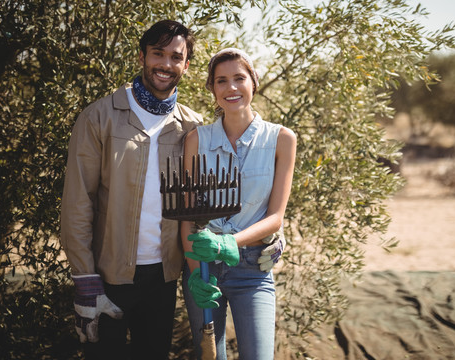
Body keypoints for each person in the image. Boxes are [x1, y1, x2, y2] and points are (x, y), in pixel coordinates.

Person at [60, 20, 202, 360]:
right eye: (158, 54)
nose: (166, 65)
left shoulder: (193, 128)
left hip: (164, 278)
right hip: (106, 276)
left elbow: (205, 201)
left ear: (186, 65)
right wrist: (86, 281)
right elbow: (78, 204)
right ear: (142, 57)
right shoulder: (100, 117)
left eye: (175, 57)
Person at [181, 48, 297, 360]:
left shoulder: (282, 139)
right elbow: (187, 218)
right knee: (209, 357)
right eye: (221, 81)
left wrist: (229, 242)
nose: (231, 88)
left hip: (253, 270)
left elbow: (275, 217)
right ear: (212, 89)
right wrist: (194, 274)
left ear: (253, 83)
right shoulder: (196, 140)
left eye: (239, 78)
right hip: (205, 270)